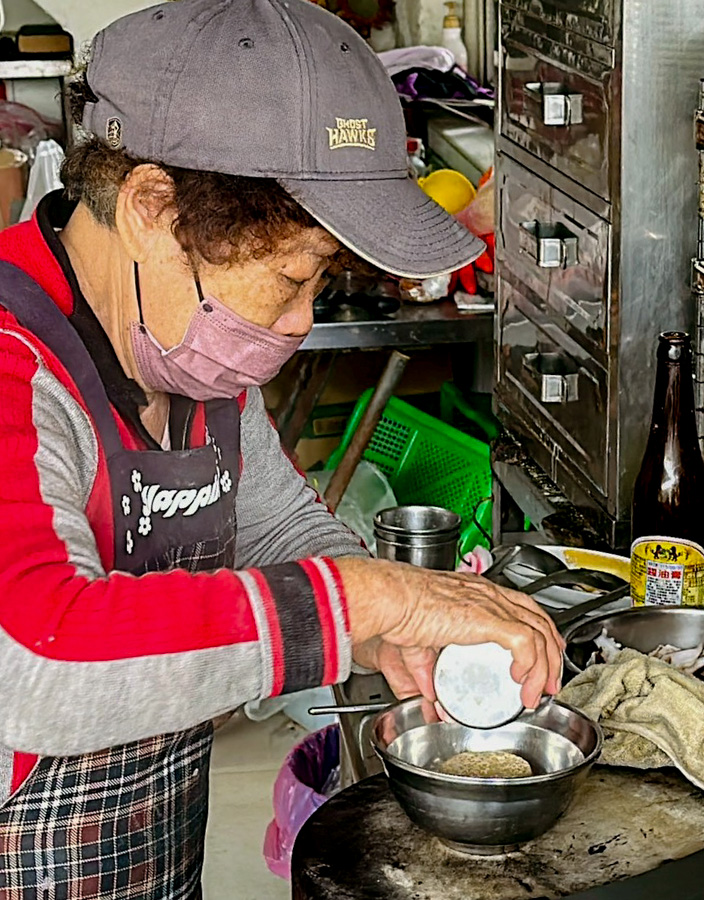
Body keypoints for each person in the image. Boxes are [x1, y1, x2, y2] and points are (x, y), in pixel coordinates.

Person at [0, 0, 564, 896]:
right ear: (152, 205)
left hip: (149, 858)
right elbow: (37, 660)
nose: (298, 325)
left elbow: (270, 525)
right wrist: (374, 596)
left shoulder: (182, 350)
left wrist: (387, 635)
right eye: (290, 280)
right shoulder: (13, 362)